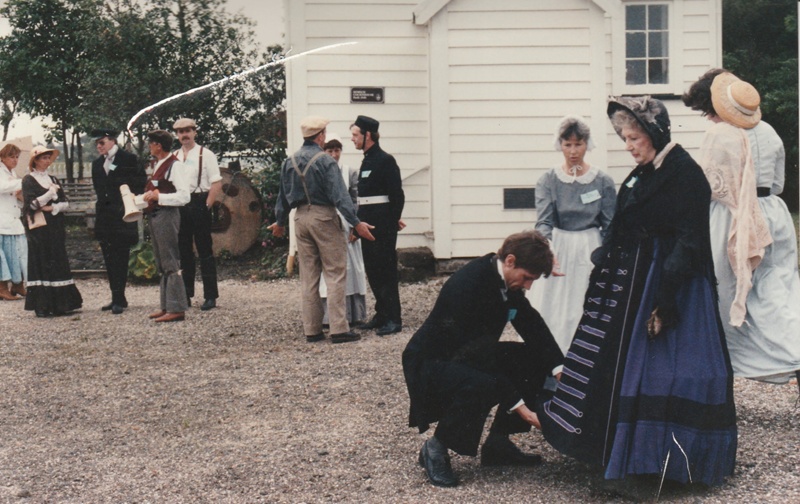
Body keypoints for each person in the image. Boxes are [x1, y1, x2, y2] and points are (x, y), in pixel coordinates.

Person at [537, 97, 737, 489]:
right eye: (624, 138)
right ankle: (609, 448)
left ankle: (655, 463)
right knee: (616, 366)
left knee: (666, 370)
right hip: (632, 280)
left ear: (655, 134)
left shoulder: (685, 173)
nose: (628, 145)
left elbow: (690, 241)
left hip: (669, 283)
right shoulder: (642, 172)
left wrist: (666, 298)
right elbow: (623, 221)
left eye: (634, 137)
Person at [402, 231, 563, 488]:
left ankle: (498, 444)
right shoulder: (469, 285)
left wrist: (558, 369)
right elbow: (478, 360)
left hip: (471, 354)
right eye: (527, 278)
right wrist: (522, 408)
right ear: (510, 260)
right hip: (431, 363)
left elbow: (531, 323)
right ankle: (435, 448)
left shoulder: (502, 278)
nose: (528, 286)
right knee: (482, 383)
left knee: (532, 358)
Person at [682, 69, 800, 386]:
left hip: (732, 215)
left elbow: (706, 186)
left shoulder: (720, 136)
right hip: (773, 214)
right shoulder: (770, 132)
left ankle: (727, 365)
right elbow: (777, 182)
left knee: (727, 289)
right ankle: (791, 350)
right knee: (778, 290)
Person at [268, 116, 375, 344]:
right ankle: (338, 328)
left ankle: (312, 329)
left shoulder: (290, 162)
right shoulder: (326, 162)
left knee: (309, 276)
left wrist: (279, 222)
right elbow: (340, 196)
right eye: (324, 134)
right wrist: (356, 223)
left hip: (300, 218)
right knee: (335, 272)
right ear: (320, 136)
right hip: (324, 216)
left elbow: (282, 196)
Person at [527, 116, 616, 354]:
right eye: (568, 144)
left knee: (583, 305)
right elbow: (544, 221)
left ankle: (586, 358)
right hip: (559, 245)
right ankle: (553, 361)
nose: (573, 151)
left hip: (589, 246)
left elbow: (610, 225)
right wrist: (548, 251)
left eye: (578, 144)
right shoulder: (548, 180)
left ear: (587, 144)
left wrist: (610, 257)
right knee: (555, 309)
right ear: (560, 145)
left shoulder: (602, 181)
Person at [350, 115, 405, 336]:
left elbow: (397, 196)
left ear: (368, 135)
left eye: (356, 135)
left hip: (382, 227)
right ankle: (382, 314)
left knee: (386, 271)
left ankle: (393, 318)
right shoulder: (367, 160)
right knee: (373, 271)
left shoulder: (385, 160)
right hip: (368, 224)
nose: (352, 139)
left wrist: (391, 223)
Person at [21, 146, 83, 316]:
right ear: (35, 160)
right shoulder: (29, 180)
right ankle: (42, 305)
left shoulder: (53, 178)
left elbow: (66, 203)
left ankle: (61, 304)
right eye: (43, 158)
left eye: (48, 158)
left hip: (55, 226)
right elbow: (32, 205)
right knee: (41, 260)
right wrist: (49, 194)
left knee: (57, 259)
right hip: (39, 229)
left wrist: (52, 207)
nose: (47, 161)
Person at [91, 129, 146, 314]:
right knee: (108, 256)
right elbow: (100, 190)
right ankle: (116, 297)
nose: (99, 146)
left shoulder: (128, 159)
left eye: (102, 142)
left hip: (123, 215)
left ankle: (119, 297)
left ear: (113, 141)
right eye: (97, 143)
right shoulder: (97, 164)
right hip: (105, 218)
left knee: (121, 256)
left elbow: (140, 183)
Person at [142, 130, 191, 323]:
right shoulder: (159, 165)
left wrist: (159, 197)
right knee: (162, 261)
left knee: (170, 260)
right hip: (156, 214)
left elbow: (184, 196)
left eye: (151, 143)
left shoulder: (174, 166)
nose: (149, 146)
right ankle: (166, 305)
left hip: (168, 214)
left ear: (158, 145)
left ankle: (177, 308)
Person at [319, 134, 368, 326]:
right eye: (329, 151)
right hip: (327, 223)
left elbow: (356, 200)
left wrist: (356, 225)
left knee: (351, 267)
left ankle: (354, 313)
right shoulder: (319, 171)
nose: (333, 155)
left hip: (347, 223)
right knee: (329, 269)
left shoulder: (349, 172)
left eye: (337, 150)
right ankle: (328, 315)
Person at [173, 117, 221, 311]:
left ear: (194, 132)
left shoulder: (206, 154)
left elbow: (216, 183)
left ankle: (210, 296)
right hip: (180, 205)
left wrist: (207, 204)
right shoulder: (174, 156)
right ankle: (186, 293)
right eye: (180, 132)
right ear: (176, 135)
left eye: (187, 131)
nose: (184, 135)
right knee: (183, 251)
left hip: (200, 202)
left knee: (205, 251)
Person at [0, 143, 27, 300]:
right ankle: (2, 287)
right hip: (1, 220)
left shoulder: (13, 173)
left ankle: (17, 285)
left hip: (14, 220)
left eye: (17, 157)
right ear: (2, 157)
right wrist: (23, 182)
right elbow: (2, 187)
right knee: (2, 256)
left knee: (17, 254)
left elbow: (16, 198)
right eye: (11, 157)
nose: (15, 160)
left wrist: (20, 196)